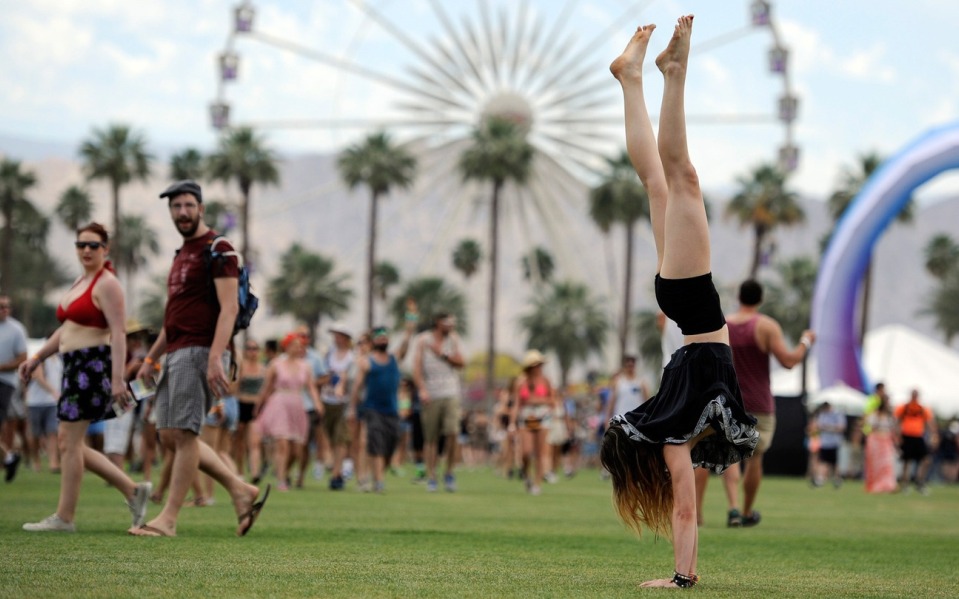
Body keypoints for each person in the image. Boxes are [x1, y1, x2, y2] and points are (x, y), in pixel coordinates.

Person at [599, 18, 760, 588]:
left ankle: (665, 74)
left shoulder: (672, 434)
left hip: (693, 307)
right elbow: (686, 511)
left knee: (678, 179)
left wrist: (682, 581)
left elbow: (686, 511)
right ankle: (636, 79)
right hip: (688, 309)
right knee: (662, 184)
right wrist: (680, 578)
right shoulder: (673, 435)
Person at [130, 180, 268, 537]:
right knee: (170, 434)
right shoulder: (181, 256)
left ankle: (169, 519)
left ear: (201, 208)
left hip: (199, 351)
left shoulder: (219, 249)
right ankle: (240, 489)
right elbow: (173, 316)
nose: (183, 212)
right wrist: (151, 357)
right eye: (176, 207)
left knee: (186, 433)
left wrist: (214, 357)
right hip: (174, 351)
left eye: (189, 205)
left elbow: (229, 308)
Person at [19, 223, 152, 532]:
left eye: (93, 245)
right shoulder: (82, 281)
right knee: (70, 441)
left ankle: (66, 517)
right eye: (81, 245)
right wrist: (38, 356)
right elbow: (67, 330)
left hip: (92, 367)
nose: (86, 250)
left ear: (105, 249)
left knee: (68, 441)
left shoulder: (108, 284)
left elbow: (118, 332)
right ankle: (132, 491)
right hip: (73, 366)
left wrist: (117, 379)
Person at [695, 279, 815, 527]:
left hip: (726, 401)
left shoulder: (722, 325)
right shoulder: (766, 326)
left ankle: (715, 511)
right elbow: (789, 361)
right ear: (760, 300)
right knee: (755, 458)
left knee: (720, 454)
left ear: (739, 297)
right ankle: (747, 511)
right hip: (759, 403)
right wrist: (806, 341)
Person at [256, 332, 324, 491]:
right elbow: (267, 387)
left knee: (296, 448)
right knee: (282, 443)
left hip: (297, 404)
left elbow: (311, 387)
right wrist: (259, 406)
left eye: (300, 346)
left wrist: (317, 403)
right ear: (286, 346)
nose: (298, 348)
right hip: (279, 402)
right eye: (294, 345)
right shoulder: (276, 364)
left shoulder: (305, 366)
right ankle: (281, 480)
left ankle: (284, 472)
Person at [412, 312, 465, 492]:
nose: (451, 325)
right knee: (431, 438)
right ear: (437, 323)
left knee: (453, 433)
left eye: (452, 322)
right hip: (431, 394)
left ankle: (449, 473)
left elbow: (460, 362)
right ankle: (431, 476)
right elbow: (417, 368)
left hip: (451, 392)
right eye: (447, 322)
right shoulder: (423, 340)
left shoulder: (453, 340)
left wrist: (442, 353)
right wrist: (422, 389)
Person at [350, 325, 403, 493]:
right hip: (372, 409)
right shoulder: (366, 361)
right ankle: (376, 481)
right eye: (379, 337)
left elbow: (406, 346)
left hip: (392, 410)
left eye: (385, 336)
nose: (383, 339)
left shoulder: (394, 358)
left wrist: (409, 327)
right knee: (371, 443)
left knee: (390, 444)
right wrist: (352, 406)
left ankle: (377, 474)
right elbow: (357, 384)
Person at [510, 350, 556, 495]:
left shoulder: (546, 381)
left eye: (540, 364)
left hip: (543, 417)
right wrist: (512, 423)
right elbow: (516, 404)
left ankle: (537, 483)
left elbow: (553, 400)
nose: (538, 367)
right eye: (536, 364)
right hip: (526, 417)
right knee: (525, 451)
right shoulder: (521, 382)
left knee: (540, 452)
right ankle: (526, 475)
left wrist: (538, 400)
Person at [322, 322, 355, 491]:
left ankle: (337, 473)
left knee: (340, 439)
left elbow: (350, 378)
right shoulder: (329, 354)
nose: (336, 338)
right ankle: (335, 468)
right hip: (327, 400)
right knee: (331, 437)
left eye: (339, 335)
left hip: (344, 403)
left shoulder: (352, 356)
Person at [0, 295, 28, 482]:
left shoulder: (16, 329)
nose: (4, 309)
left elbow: (22, 358)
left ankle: (8, 458)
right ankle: (8, 457)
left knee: (9, 423)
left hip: (5, 382)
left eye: (7, 306)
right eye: (1, 306)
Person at [25, 350, 62, 473]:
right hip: (35, 402)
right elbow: (38, 377)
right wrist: (53, 391)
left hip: (52, 403)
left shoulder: (59, 360)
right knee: (35, 434)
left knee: (52, 432)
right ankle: (36, 460)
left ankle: (53, 463)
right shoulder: (40, 359)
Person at [894, 389, 938, 494]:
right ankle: (905, 484)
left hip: (918, 437)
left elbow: (929, 422)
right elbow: (897, 422)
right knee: (907, 461)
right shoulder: (904, 408)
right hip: (907, 436)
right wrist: (897, 436)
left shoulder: (922, 409)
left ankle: (920, 481)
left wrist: (934, 435)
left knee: (926, 459)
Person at [233, 338, 266, 480]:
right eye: (249, 348)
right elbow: (235, 387)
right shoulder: (241, 367)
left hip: (255, 407)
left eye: (255, 348)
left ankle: (254, 472)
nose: (252, 352)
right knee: (239, 442)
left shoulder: (264, 369)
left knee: (254, 442)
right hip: (241, 405)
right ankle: (239, 470)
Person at [863, 392, 899, 493]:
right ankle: (877, 484)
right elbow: (870, 427)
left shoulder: (890, 416)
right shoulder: (875, 415)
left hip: (886, 441)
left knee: (887, 464)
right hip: (876, 441)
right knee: (877, 465)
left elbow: (894, 429)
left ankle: (888, 485)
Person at [811, 401, 846, 488]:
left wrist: (828, 427)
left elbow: (841, 427)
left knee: (835, 463)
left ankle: (837, 479)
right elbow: (818, 426)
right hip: (825, 443)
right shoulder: (822, 415)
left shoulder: (837, 415)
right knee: (823, 462)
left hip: (835, 443)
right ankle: (820, 479)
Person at [605, 355, 650, 421]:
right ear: (625, 366)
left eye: (632, 364)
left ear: (634, 366)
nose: (630, 366)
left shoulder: (642, 383)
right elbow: (612, 402)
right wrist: (607, 418)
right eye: (628, 364)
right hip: (621, 419)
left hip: (637, 419)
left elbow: (647, 402)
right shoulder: (618, 382)